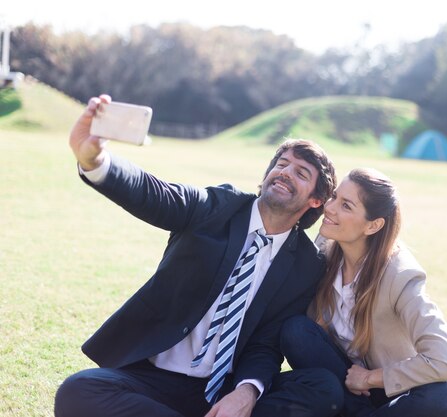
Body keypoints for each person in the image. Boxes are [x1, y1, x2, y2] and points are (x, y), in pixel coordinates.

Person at [54, 94, 342, 417]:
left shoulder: (305, 264)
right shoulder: (216, 207)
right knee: (78, 391)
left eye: (301, 173)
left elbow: (267, 342)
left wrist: (245, 392)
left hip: (221, 391)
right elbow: (154, 193)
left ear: (316, 200)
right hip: (152, 377)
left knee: (323, 388)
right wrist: (96, 162)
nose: (286, 172)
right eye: (282, 163)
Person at [280, 168, 447, 417]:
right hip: (341, 384)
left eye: (346, 206)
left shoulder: (402, 276)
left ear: (373, 225)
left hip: (388, 390)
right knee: (295, 330)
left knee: (442, 397)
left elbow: (444, 361)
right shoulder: (324, 248)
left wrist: (370, 378)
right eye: (334, 197)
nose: (330, 208)